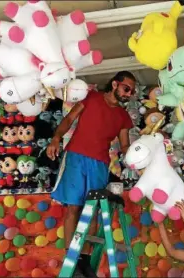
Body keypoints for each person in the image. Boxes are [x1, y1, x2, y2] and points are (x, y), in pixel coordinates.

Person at [46, 71, 136, 277]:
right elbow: (69, 119)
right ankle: (72, 258)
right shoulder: (92, 97)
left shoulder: (123, 116)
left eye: (132, 91)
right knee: (74, 208)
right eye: (127, 88)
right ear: (115, 84)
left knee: (93, 210)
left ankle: (84, 259)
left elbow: (124, 145)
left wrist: (137, 158)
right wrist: (56, 138)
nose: (129, 94)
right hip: (76, 157)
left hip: (100, 164)